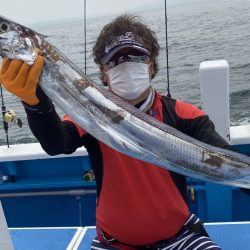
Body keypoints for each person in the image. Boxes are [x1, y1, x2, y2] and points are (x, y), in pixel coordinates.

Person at [0, 14, 232, 250]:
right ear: (103, 71)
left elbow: (227, 160)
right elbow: (57, 144)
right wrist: (35, 104)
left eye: (135, 56)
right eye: (115, 61)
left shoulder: (182, 114)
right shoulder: (91, 116)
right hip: (113, 244)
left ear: (151, 63)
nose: (126, 64)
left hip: (179, 238)